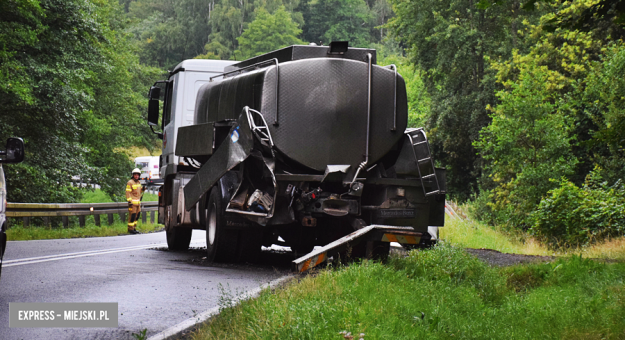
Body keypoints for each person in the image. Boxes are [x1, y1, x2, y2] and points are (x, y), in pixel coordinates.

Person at [126, 168, 145, 234]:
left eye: (138, 175)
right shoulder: (130, 182)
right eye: (135, 175)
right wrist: (130, 202)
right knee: (132, 216)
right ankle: (130, 229)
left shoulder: (139, 182)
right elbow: (128, 193)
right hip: (132, 204)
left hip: (138, 203)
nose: (136, 176)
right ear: (133, 175)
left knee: (137, 216)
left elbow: (139, 191)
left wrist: (143, 189)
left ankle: (134, 228)